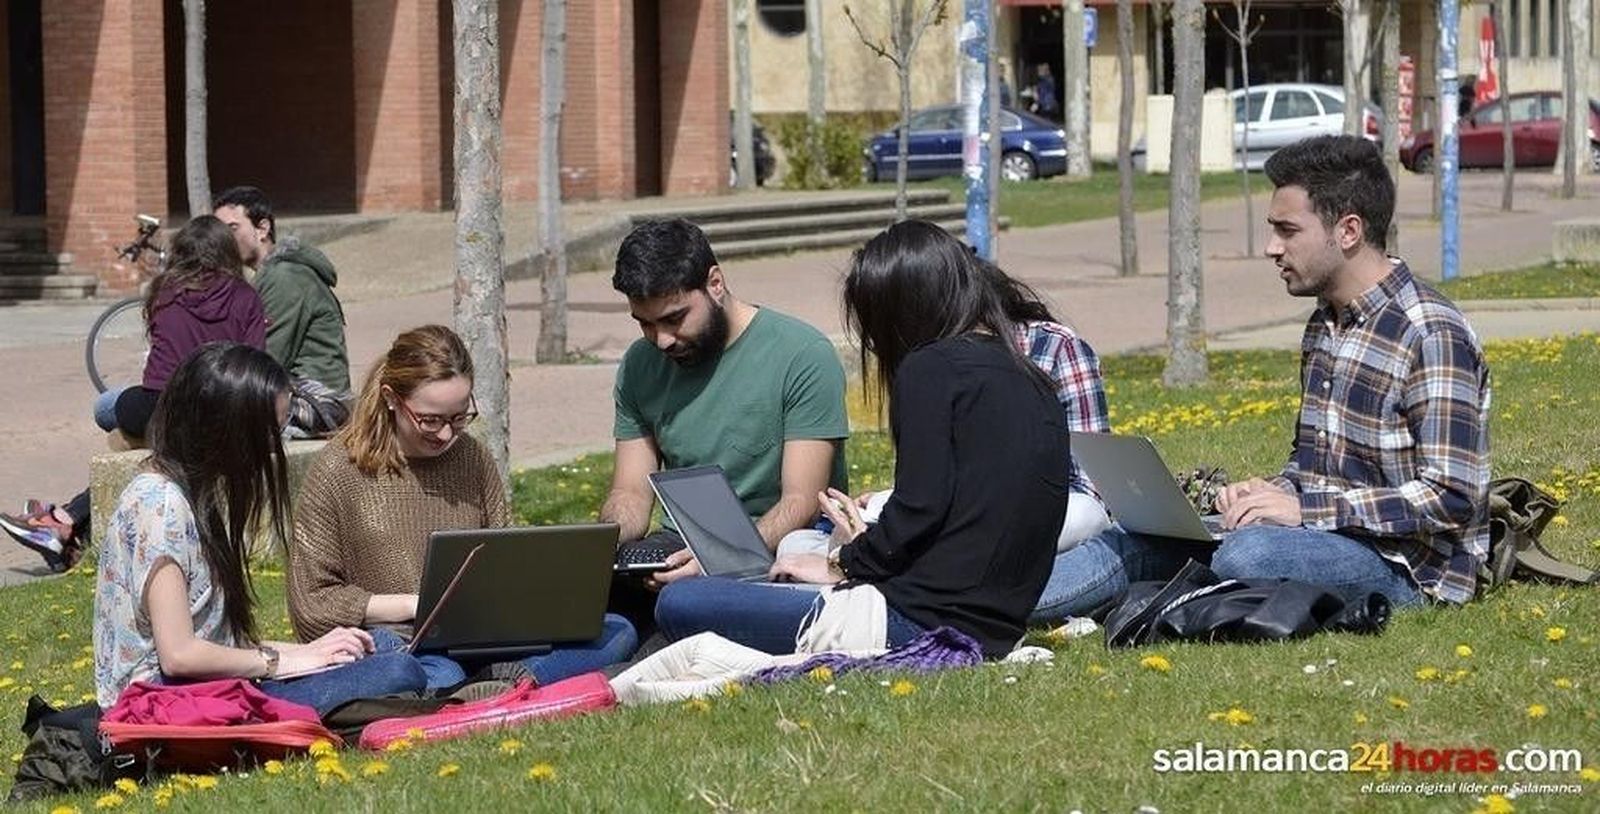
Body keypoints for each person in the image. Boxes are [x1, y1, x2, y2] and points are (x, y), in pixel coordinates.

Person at [1037, 135, 1491, 618]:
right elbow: (1316, 466)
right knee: (1132, 537)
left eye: (1287, 230)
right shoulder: (1326, 325)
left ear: (1349, 231)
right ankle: (981, 607)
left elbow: (1452, 496)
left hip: (1409, 567)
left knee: (1248, 554)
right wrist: (1269, 493)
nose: (1272, 248)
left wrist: (1304, 512)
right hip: (1322, 535)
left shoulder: (1430, 333)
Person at [654, 220, 1070, 658]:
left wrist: (840, 564)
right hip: (995, 625)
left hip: (914, 620)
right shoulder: (1030, 377)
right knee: (785, 563)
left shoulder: (931, 368)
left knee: (682, 602)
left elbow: (920, 508)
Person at [286, 325, 637, 690]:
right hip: (398, 639)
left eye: (458, 418)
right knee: (413, 667)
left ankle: (492, 684)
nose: (445, 435)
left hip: (482, 635)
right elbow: (312, 603)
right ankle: (501, 687)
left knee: (618, 631)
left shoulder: (472, 458)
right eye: (430, 420)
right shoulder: (340, 469)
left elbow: (506, 562)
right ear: (391, 398)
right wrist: (413, 606)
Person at [93, 343, 426, 714]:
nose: (274, 447)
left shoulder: (186, 490)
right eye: (270, 432)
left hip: (203, 688)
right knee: (398, 670)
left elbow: (219, 642)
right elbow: (179, 656)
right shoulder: (162, 506)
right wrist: (280, 662)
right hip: (164, 702)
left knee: (377, 645)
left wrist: (308, 652)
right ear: (228, 429)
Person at [601, 220, 849, 611]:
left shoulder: (801, 354)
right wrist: (598, 548)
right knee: (582, 599)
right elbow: (630, 493)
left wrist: (717, 559)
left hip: (779, 543)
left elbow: (801, 502)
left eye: (674, 319)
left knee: (682, 602)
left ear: (715, 284)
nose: (661, 339)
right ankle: (516, 672)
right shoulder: (638, 365)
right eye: (645, 324)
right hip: (679, 544)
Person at [4, 216, 266, 572]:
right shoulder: (245, 296)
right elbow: (256, 361)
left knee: (109, 409)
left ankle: (64, 521)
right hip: (219, 408)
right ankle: (63, 522)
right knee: (121, 416)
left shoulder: (165, 290)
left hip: (159, 407)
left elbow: (158, 360)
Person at [213, 185, 353, 438]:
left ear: (262, 228)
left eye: (232, 228)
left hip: (319, 403)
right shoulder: (272, 274)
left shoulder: (284, 277)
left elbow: (267, 360)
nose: (224, 239)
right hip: (300, 394)